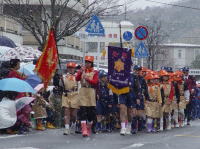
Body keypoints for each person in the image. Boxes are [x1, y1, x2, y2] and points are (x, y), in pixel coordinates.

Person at [76, 56, 98, 137]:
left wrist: (87, 79)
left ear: (91, 63)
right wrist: (80, 72)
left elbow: (95, 82)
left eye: (88, 62)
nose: (87, 64)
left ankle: (89, 127)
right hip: (83, 91)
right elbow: (77, 79)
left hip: (91, 92)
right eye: (86, 62)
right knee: (83, 111)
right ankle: (84, 129)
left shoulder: (95, 72)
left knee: (91, 113)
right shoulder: (82, 71)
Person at [62, 62, 79, 135]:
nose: (70, 69)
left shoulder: (77, 76)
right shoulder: (63, 76)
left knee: (74, 114)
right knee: (66, 112)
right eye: (69, 68)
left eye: (72, 68)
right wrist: (59, 80)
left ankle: (73, 125)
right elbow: (60, 85)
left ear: (74, 69)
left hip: (75, 95)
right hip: (66, 95)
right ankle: (66, 128)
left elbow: (80, 86)